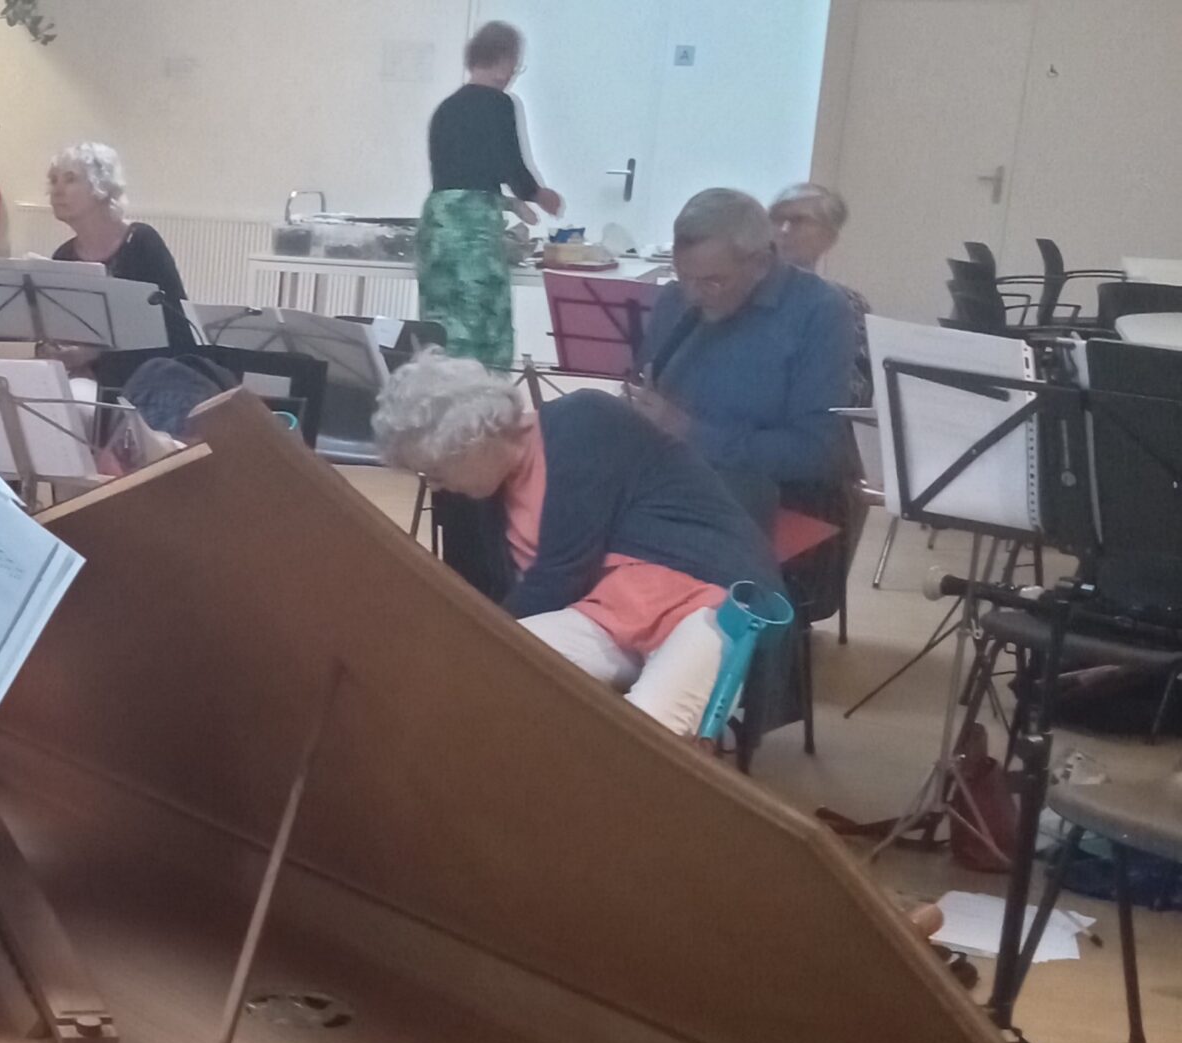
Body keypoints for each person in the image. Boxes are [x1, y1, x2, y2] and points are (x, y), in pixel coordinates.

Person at [375, 351, 785, 736]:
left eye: (435, 470)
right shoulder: (480, 496)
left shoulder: (585, 421)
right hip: (609, 610)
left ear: (470, 439)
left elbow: (560, 575)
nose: (436, 486)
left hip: (708, 598)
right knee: (483, 667)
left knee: (647, 731)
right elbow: (487, 595)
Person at [638, 187, 857, 516]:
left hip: (772, 505)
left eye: (713, 282)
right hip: (671, 490)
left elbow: (817, 453)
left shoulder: (820, 310)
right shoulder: (674, 300)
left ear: (761, 263)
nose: (693, 295)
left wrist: (690, 432)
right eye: (684, 277)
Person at [418, 21, 563, 372]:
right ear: (502, 62)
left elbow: (460, 177)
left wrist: (513, 203)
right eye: (515, 64)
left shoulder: (445, 109)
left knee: (441, 334)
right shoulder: (500, 104)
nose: (513, 73)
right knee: (481, 333)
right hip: (473, 236)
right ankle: (482, 414)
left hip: (437, 228)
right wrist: (537, 195)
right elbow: (509, 165)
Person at [47, 141, 196, 350]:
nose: (56, 191)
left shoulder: (141, 242)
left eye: (70, 180)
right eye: (53, 181)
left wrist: (96, 356)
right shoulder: (63, 257)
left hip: (146, 373)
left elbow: (179, 333)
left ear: (102, 187)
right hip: (81, 377)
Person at [771, 182, 874, 404]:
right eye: (776, 218)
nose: (783, 230)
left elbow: (852, 393)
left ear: (828, 237)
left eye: (798, 221)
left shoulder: (848, 305)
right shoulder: (733, 294)